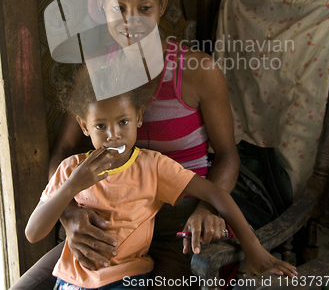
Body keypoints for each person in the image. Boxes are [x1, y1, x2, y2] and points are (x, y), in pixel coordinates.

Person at [11, 0, 240, 290]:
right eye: (118, 8)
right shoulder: (94, 73)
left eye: (144, 8)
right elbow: (63, 151)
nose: (131, 22)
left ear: (162, 5)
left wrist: (207, 207)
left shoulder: (197, 73)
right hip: (106, 226)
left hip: (178, 226)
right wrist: (71, 214)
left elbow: (227, 155)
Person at [25, 65, 297, 290]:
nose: (113, 135)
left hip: (126, 280)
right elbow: (33, 233)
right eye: (100, 125)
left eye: (123, 122)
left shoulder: (151, 166)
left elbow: (216, 193)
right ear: (84, 125)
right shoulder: (71, 169)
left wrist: (254, 249)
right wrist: (70, 187)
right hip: (70, 281)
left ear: (139, 117)